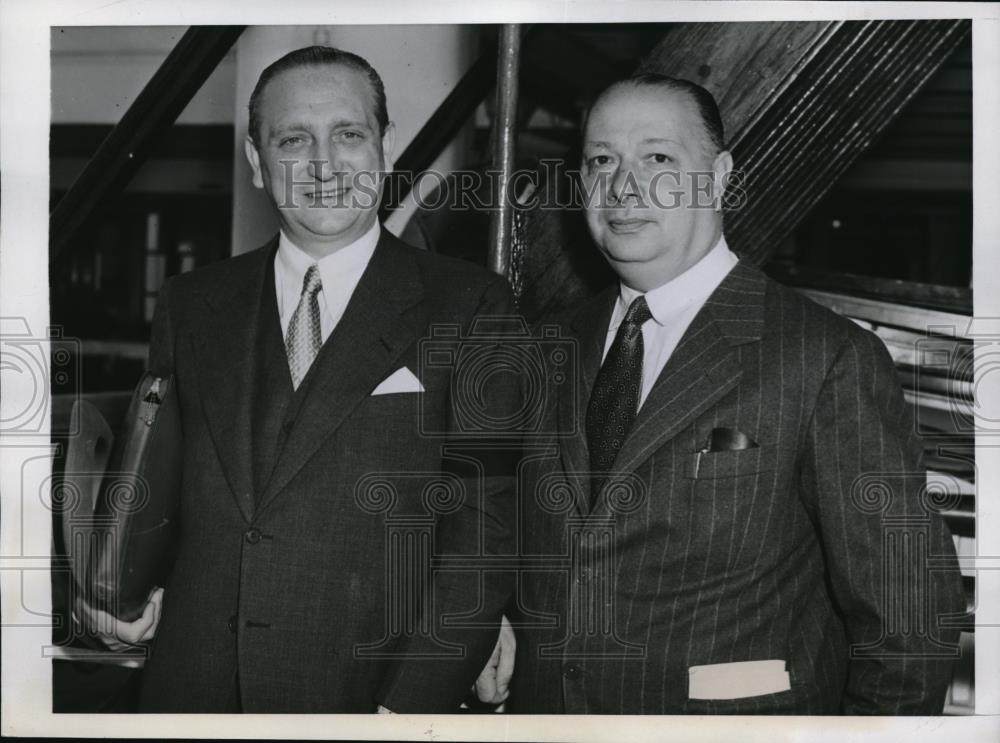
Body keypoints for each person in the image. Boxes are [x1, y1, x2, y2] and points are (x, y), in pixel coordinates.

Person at [506, 74, 965, 714]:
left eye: (658, 157)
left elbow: (909, 620)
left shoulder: (825, 356)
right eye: (601, 160)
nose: (622, 186)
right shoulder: (548, 344)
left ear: (719, 177)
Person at [79, 46, 514, 713]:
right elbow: (161, 481)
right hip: (193, 691)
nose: (323, 165)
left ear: (385, 145)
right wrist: (125, 595)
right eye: (292, 139)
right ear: (257, 161)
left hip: (365, 697)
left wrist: (408, 708)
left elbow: (482, 532)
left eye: (348, 134)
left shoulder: (472, 304)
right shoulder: (191, 302)